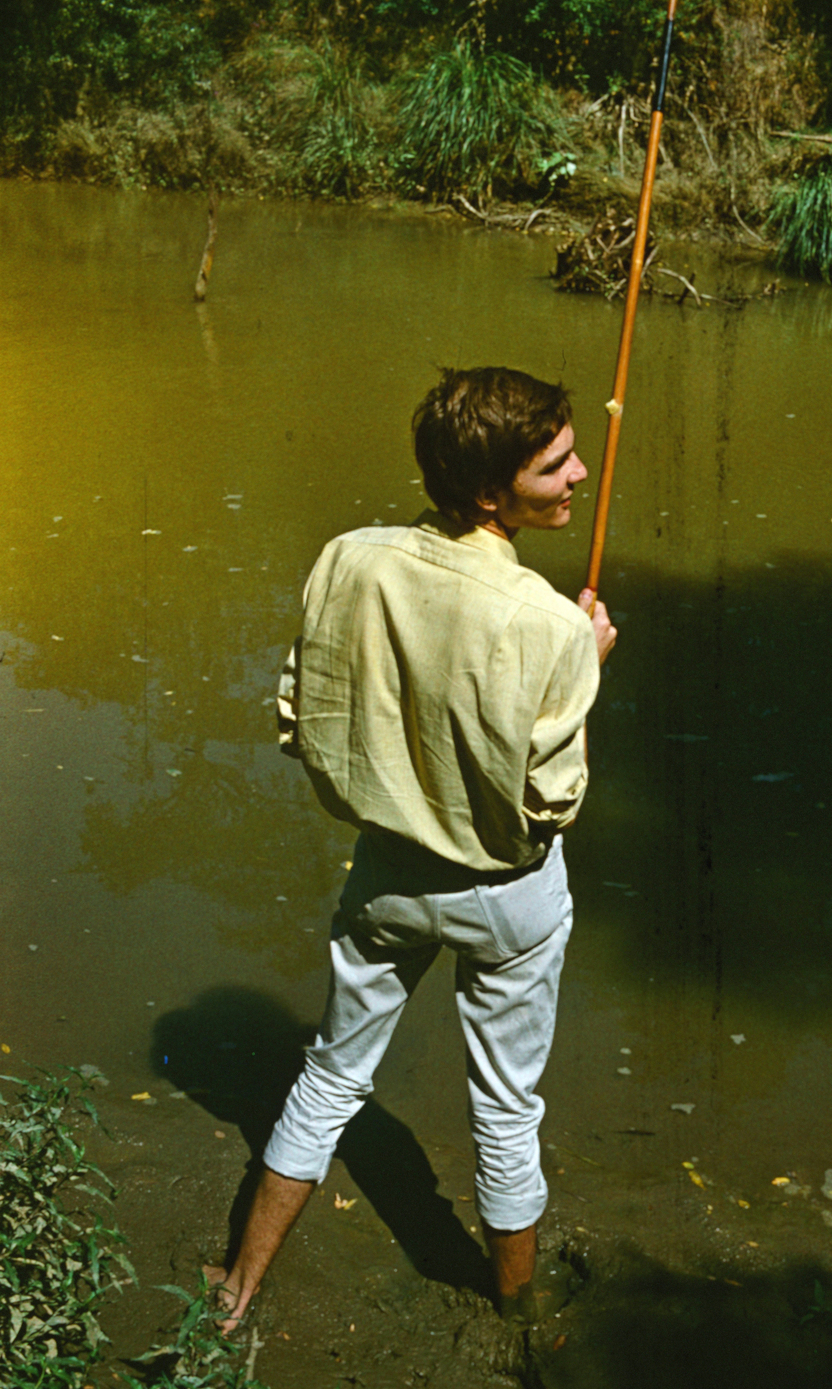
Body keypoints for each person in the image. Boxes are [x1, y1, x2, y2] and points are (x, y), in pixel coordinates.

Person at [205, 367, 616, 1329]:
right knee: (506, 1111)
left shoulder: (348, 558)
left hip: (388, 874)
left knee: (329, 1075)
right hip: (511, 896)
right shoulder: (555, 625)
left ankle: (236, 1287)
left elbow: (299, 717)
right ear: (490, 495)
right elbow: (552, 802)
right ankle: (518, 1317)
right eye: (555, 465)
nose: (580, 475)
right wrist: (585, 669)